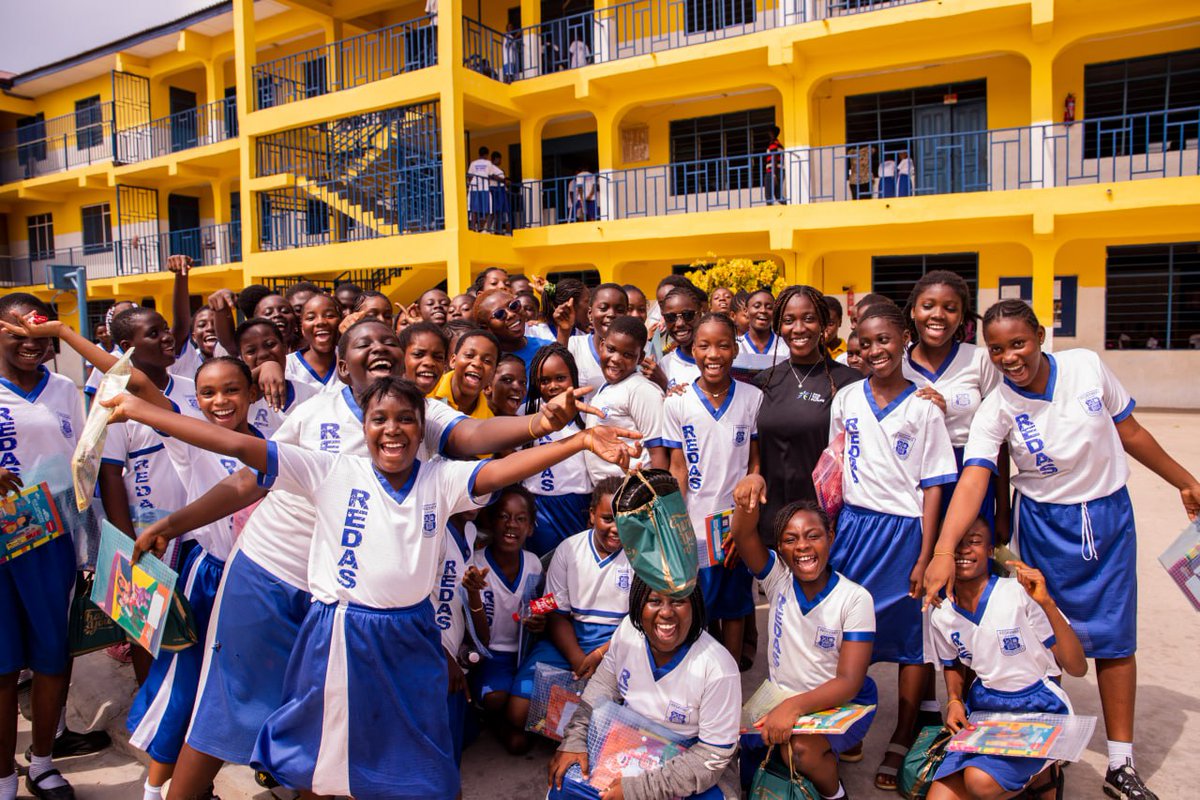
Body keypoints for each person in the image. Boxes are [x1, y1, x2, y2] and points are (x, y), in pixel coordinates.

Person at [101, 376, 642, 800]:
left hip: (411, 635)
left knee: (430, 765)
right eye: (379, 419)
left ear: (421, 430)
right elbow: (236, 445)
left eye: (406, 419)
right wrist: (139, 410)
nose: (393, 429)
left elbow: (504, 470)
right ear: (363, 427)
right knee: (324, 760)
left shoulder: (440, 479)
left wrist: (578, 441)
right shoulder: (330, 472)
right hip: (340, 632)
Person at [923, 299, 1200, 800]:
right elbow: (974, 478)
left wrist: (1184, 481)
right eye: (996, 349)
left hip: (1107, 518)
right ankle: (1044, 748)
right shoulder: (997, 408)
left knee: (1115, 639)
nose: (1009, 357)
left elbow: (1130, 430)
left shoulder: (1087, 366)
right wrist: (944, 550)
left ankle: (1120, 763)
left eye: (1018, 344)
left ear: (1041, 336)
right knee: (1040, 638)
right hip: (1043, 526)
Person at [827, 302, 956, 791]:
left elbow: (933, 486)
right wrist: (835, 527)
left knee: (909, 639)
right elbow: (836, 469)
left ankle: (903, 733)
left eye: (885, 339)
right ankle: (852, 721)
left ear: (905, 338)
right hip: (855, 527)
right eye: (866, 341)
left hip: (903, 533)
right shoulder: (846, 400)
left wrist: (925, 554)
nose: (875, 349)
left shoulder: (924, 407)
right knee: (849, 630)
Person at [0, 294, 89, 800]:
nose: (31, 342)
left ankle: (42, 763)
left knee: (54, 656)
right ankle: (4, 777)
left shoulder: (63, 390)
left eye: (41, 332)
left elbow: (84, 463)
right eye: (17, 331)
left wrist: (88, 543)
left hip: (52, 539)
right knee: (3, 665)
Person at [927, 519, 1087, 800]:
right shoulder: (941, 613)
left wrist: (1047, 603)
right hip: (986, 708)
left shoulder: (1018, 594)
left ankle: (1044, 774)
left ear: (990, 550)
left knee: (980, 783)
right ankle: (1033, 779)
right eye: (956, 543)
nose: (964, 550)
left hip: (1039, 706)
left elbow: (1077, 666)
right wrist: (953, 700)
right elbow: (951, 662)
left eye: (974, 541)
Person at [730, 500, 876, 800]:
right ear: (780, 549)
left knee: (800, 752)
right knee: (744, 771)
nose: (803, 546)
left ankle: (836, 794)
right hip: (781, 698)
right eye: (790, 539)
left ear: (830, 538)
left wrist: (793, 708)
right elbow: (743, 534)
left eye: (813, 535)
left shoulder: (855, 598)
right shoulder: (777, 579)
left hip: (837, 702)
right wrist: (751, 488)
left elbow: (849, 682)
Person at [547, 575, 741, 800]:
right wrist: (575, 739)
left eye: (678, 601)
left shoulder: (718, 666)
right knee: (563, 784)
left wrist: (636, 791)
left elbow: (711, 757)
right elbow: (601, 686)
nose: (667, 612)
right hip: (627, 746)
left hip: (690, 763)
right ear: (638, 605)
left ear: (695, 607)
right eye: (654, 601)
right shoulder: (628, 632)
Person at [663, 313, 761, 661]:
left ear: (735, 349)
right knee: (697, 605)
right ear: (692, 349)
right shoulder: (677, 401)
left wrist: (747, 519)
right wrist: (677, 524)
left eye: (723, 345)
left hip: (735, 525)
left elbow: (754, 462)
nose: (713, 354)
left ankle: (731, 673)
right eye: (704, 346)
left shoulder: (751, 398)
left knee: (735, 606)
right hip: (695, 525)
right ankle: (700, 673)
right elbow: (678, 469)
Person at [507, 478, 630, 751]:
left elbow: (639, 626)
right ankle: (563, 728)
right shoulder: (570, 549)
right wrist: (578, 659)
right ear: (592, 515)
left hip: (617, 642)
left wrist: (598, 656)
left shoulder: (640, 554)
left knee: (619, 714)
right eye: (607, 518)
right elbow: (556, 614)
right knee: (517, 712)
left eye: (624, 518)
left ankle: (569, 731)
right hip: (569, 638)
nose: (616, 527)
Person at [739, 285, 862, 547]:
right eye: (788, 320)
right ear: (778, 327)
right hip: (771, 524)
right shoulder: (763, 382)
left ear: (823, 324)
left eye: (808, 318)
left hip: (826, 525)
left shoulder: (849, 383)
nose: (798, 329)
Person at [901, 271, 1004, 526]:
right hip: (911, 476)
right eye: (928, 306)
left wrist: (1003, 507)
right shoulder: (897, 363)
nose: (938, 315)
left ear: (961, 318)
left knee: (968, 557)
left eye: (950, 308)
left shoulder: (980, 360)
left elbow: (1000, 438)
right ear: (914, 311)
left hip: (969, 472)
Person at [470, 487, 546, 751]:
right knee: (495, 698)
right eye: (503, 516)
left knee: (521, 735)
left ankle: (512, 721)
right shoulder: (476, 564)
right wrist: (473, 594)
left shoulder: (534, 563)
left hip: (524, 655)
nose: (511, 524)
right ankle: (495, 718)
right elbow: (480, 636)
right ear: (490, 521)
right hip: (492, 656)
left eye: (520, 518)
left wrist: (539, 622)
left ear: (531, 528)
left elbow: (536, 611)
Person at [523, 344, 594, 557]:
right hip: (538, 507)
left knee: (575, 566)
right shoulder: (527, 412)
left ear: (573, 377)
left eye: (560, 378)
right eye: (545, 381)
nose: (553, 386)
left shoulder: (587, 412)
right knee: (540, 569)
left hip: (576, 504)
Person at [585, 316, 668, 480]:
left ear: (640, 357)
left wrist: (662, 500)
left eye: (627, 355)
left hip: (634, 494)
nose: (616, 359)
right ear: (602, 345)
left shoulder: (641, 390)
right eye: (611, 349)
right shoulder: (608, 386)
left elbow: (658, 452)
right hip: (606, 495)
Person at [236, 318, 319, 439]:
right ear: (242, 358)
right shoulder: (242, 398)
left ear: (285, 347)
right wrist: (267, 366)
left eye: (270, 345)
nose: (263, 354)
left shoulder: (310, 394)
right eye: (251, 351)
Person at [473, 289, 554, 377]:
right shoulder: (485, 364)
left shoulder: (548, 349)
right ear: (485, 327)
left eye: (513, 305)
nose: (511, 314)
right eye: (499, 314)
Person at [563, 283, 628, 392]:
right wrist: (563, 332)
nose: (611, 314)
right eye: (603, 308)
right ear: (590, 314)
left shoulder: (634, 351)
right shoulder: (574, 345)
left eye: (620, 310)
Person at [432, 329, 500, 421]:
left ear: (493, 374)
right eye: (469, 355)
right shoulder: (427, 390)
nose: (477, 363)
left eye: (487, 361)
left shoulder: (487, 422)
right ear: (453, 361)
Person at [284, 293, 341, 391]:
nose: (321, 322)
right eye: (311, 318)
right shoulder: (287, 366)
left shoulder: (350, 360)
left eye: (329, 316)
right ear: (302, 328)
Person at [657, 286, 704, 389]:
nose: (679, 323)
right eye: (670, 317)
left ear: (700, 314)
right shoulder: (665, 365)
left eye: (688, 315)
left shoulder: (718, 359)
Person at [735, 289, 786, 378]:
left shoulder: (785, 346)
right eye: (757, 306)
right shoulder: (736, 345)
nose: (763, 310)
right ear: (746, 311)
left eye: (769, 307)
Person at [487, 354, 529, 418]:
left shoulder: (524, 426)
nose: (517, 387)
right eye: (507, 380)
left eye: (523, 383)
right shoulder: (470, 420)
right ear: (487, 386)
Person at [469, 146, 500, 231]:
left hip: (474, 188)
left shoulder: (473, 163)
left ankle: (473, 227)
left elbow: (470, 177)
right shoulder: (488, 163)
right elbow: (491, 175)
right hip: (484, 188)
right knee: (488, 208)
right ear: (486, 155)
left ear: (479, 154)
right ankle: (482, 226)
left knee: (474, 209)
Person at [490, 152, 511, 234]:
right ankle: (495, 230)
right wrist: (503, 180)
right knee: (496, 211)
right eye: (499, 159)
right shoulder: (491, 168)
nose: (500, 161)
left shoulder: (498, 169)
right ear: (495, 159)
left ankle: (504, 232)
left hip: (501, 191)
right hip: (496, 191)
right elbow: (492, 176)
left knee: (503, 212)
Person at [764, 125, 785, 205]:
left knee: (768, 195)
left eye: (769, 133)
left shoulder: (773, 144)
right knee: (778, 196)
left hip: (772, 171)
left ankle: (769, 213)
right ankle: (789, 206)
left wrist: (774, 174)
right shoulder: (780, 144)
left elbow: (774, 158)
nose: (768, 134)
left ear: (772, 133)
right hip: (780, 171)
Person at [821, 295, 846, 360]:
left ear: (840, 322)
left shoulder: (849, 352)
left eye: (830, 324)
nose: (824, 329)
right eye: (821, 323)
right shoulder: (812, 353)